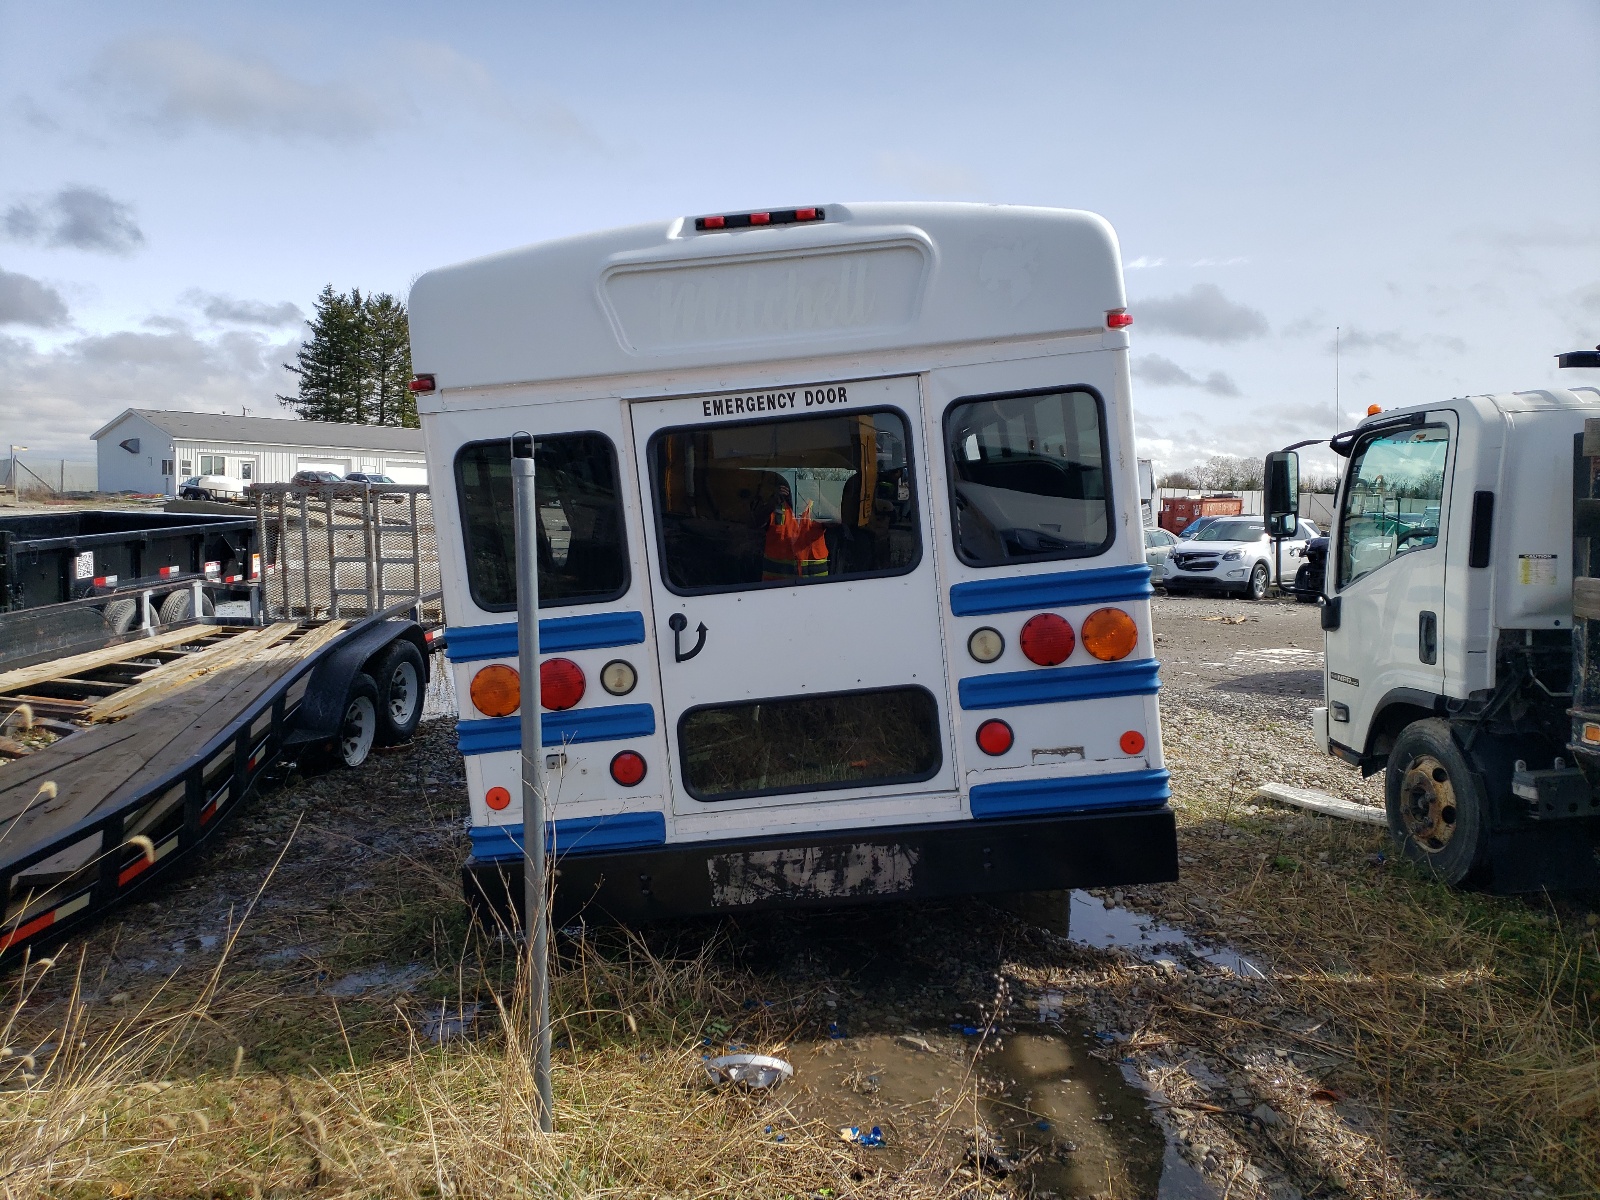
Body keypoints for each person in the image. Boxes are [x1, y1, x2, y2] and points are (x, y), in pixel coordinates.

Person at [761, 479, 830, 581]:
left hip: (816, 586)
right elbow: (753, 524)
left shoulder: (818, 508)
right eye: (793, 485)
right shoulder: (775, 508)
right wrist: (773, 501)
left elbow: (839, 520)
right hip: (776, 587)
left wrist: (820, 497)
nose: (799, 490)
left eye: (804, 486)